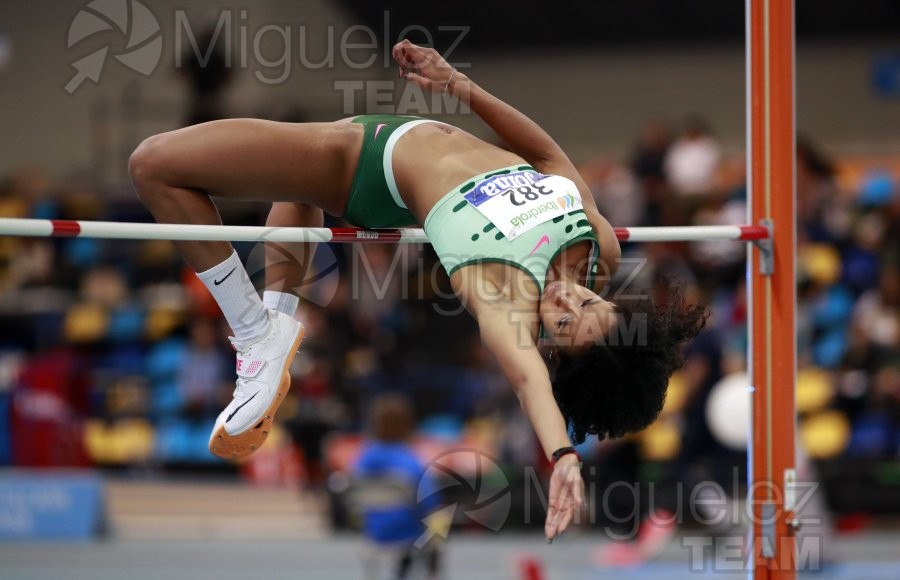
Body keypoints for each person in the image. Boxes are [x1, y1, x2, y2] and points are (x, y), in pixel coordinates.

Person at [128, 40, 706, 540]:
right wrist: (458, 85)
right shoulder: (598, 242)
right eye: (587, 302)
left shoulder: (503, 300)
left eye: (563, 323)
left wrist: (563, 456)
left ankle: (256, 333)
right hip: (375, 128)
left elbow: (529, 381)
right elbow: (549, 155)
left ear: (552, 346)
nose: (565, 301)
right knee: (292, 198)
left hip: (362, 164)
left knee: (154, 163)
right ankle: (272, 332)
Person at [353, 394, 442, 580]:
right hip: (407, 532)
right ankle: (431, 572)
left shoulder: (364, 457)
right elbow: (429, 501)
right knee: (438, 524)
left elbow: (354, 492)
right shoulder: (411, 460)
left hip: (375, 532)